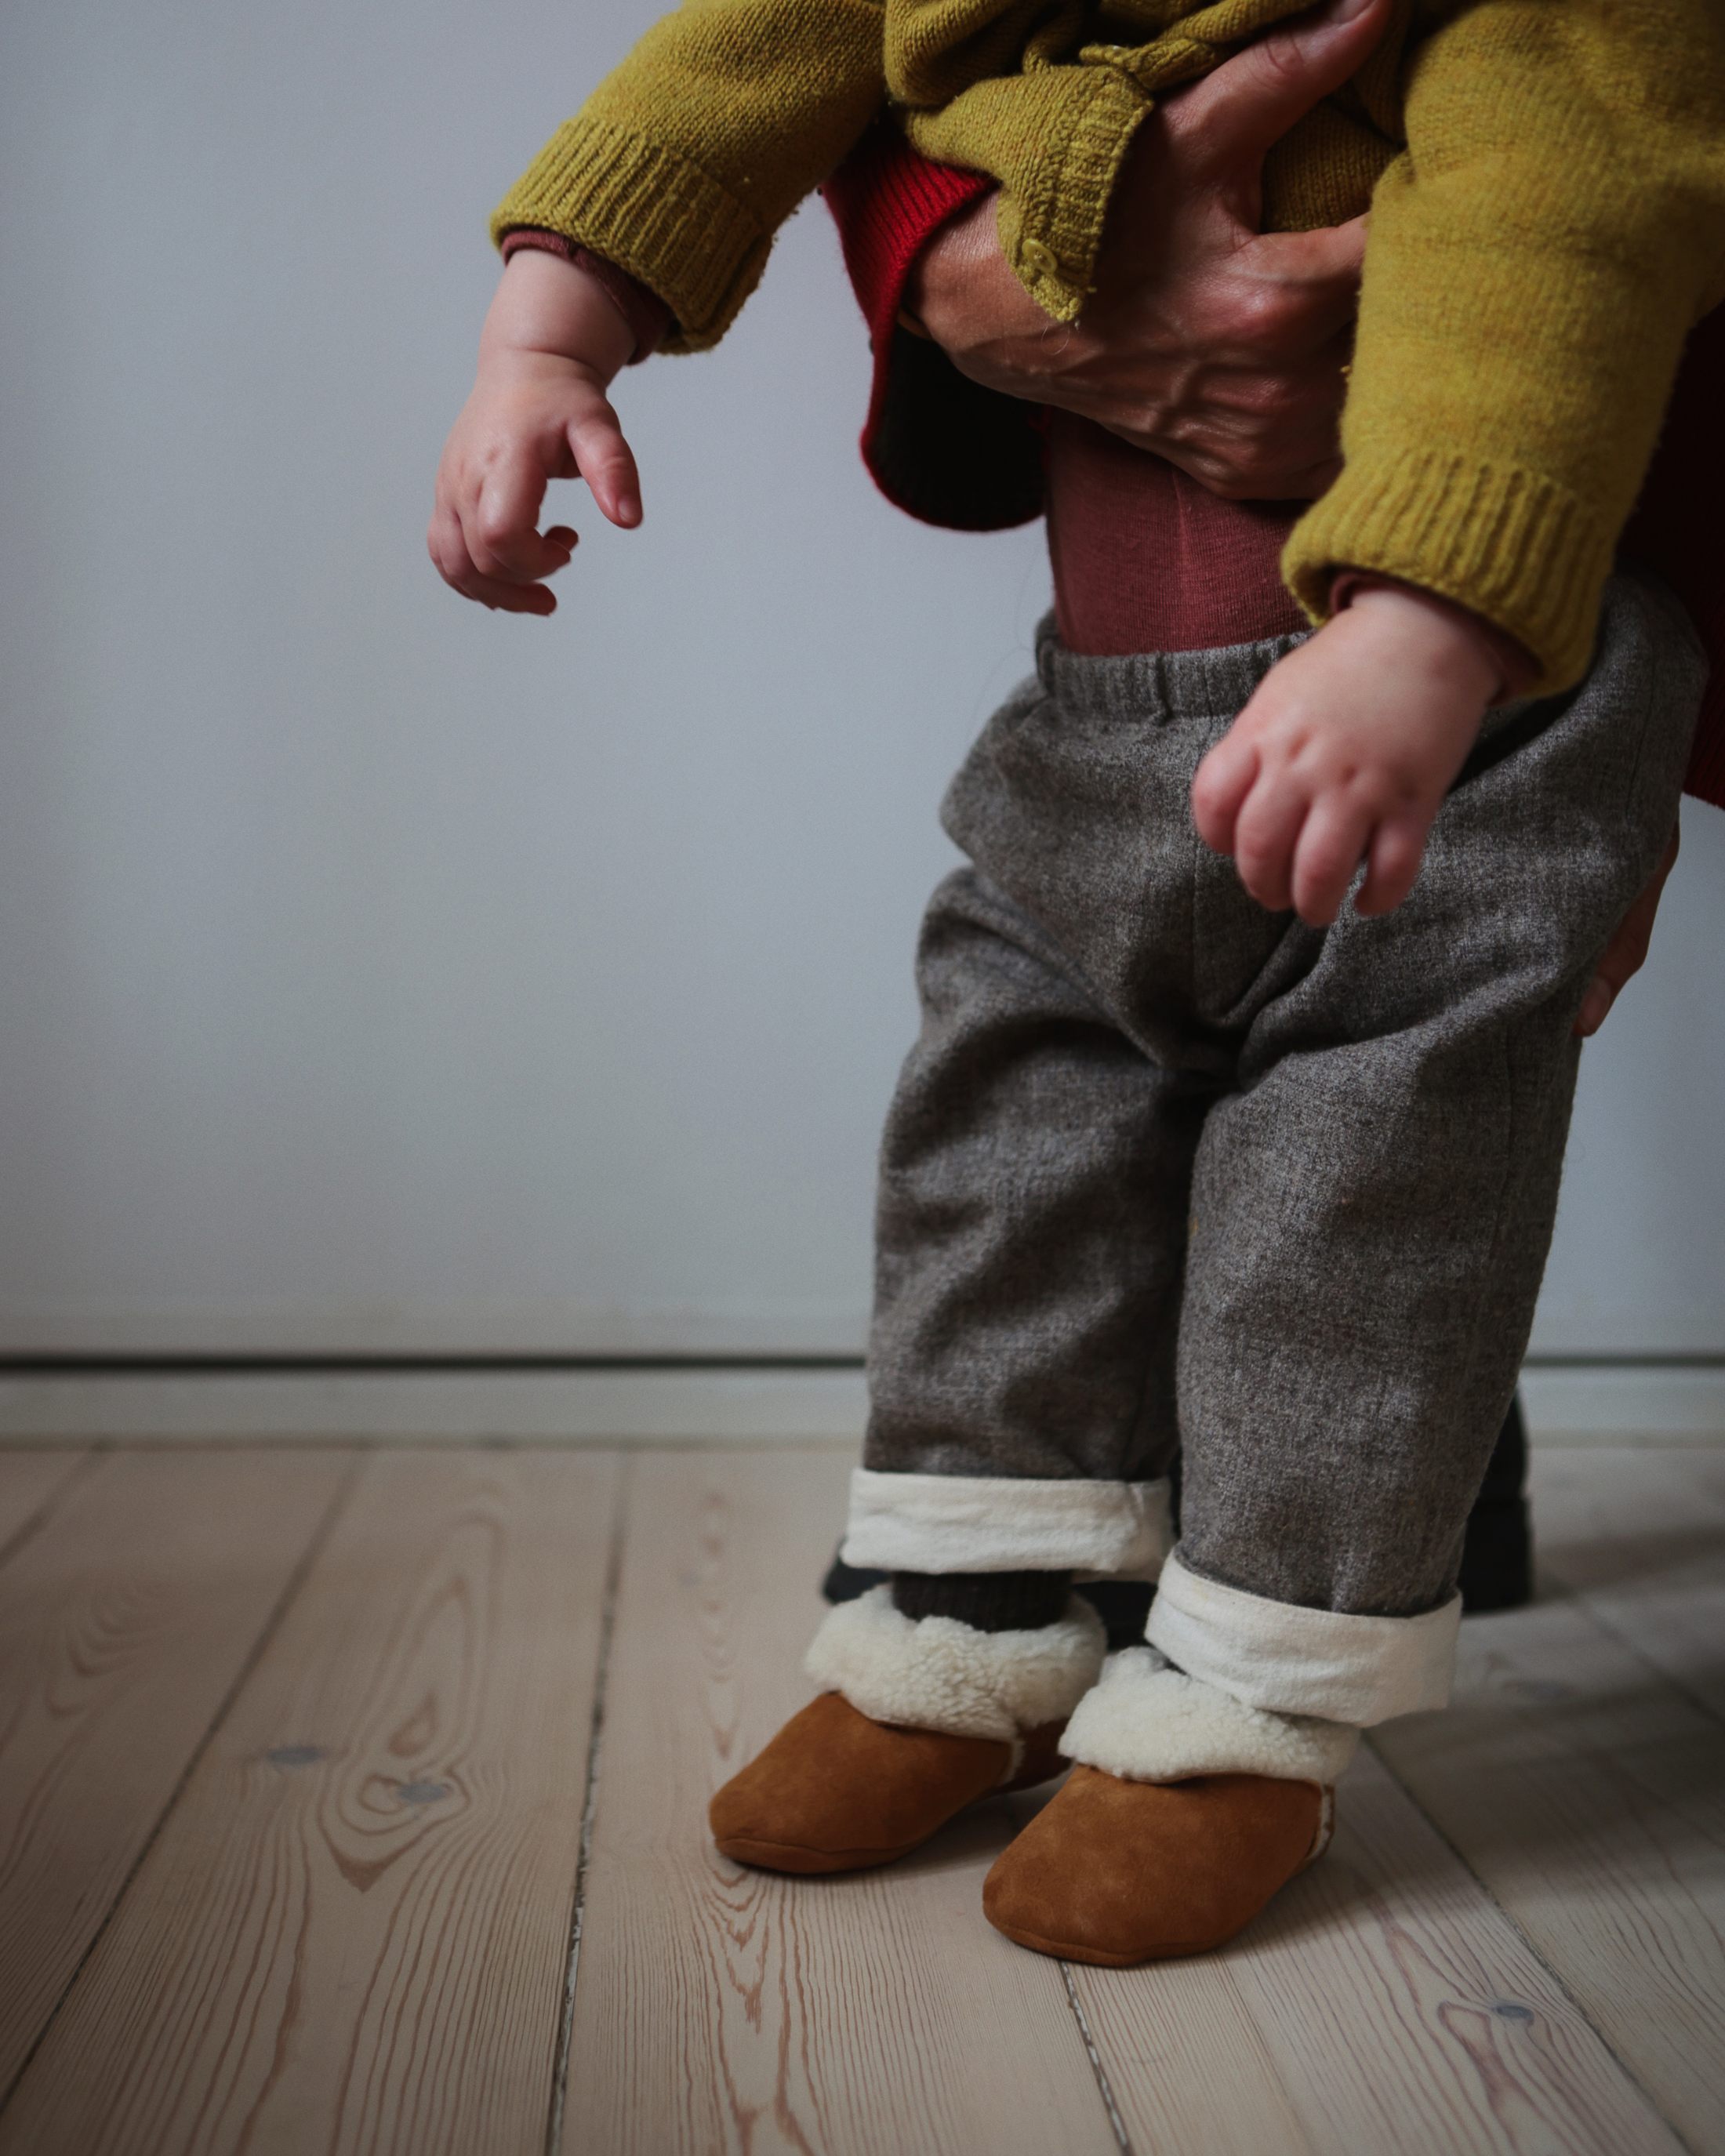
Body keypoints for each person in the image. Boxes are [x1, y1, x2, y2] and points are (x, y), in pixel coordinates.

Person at [430, 0, 1725, 1965]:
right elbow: (729, 65)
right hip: (1105, 706)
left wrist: (1429, 624)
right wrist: (547, 333)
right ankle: (966, 1620)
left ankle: (1241, 1710)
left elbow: (1565, 207)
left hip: (1456, 688)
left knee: (1352, 1200)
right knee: (1008, 1114)